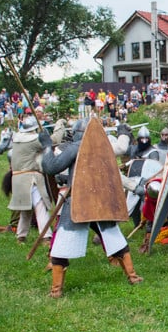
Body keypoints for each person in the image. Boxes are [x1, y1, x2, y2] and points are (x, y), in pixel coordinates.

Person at [39, 118, 141, 298]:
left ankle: (56, 290)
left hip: (80, 201)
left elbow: (51, 167)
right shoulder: (104, 148)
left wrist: (47, 145)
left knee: (63, 244)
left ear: (77, 133)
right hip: (100, 201)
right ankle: (132, 276)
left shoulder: (75, 147)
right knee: (113, 237)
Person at [7, 115, 53, 246]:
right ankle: (46, 237)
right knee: (40, 207)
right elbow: (49, 143)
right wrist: (47, 134)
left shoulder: (17, 139)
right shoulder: (33, 140)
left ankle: (21, 236)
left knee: (25, 210)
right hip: (30, 178)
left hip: (17, 179)